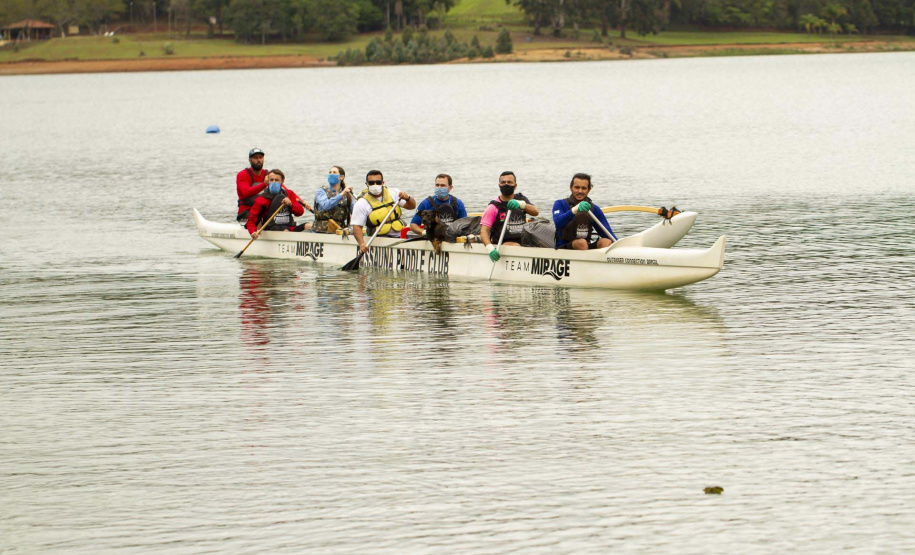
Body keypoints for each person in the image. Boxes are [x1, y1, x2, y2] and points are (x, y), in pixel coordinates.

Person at [351, 170, 417, 253]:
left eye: (378, 182)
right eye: (371, 183)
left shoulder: (394, 193)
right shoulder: (362, 203)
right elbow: (357, 227)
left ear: (383, 183)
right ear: (367, 184)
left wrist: (407, 198)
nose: (375, 185)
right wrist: (362, 244)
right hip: (378, 238)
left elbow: (412, 206)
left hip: (399, 235)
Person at [480, 171, 539, 262]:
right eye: (503, 182)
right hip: (503, 244)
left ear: (515, 186)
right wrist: (490, 248)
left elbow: (535, 212)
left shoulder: (521, 199)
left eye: (509, 182)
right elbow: (484, 231)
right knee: (513, 245)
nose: (506, 184)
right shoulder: (493, 207)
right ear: (499, 185)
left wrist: (521, 204)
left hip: (523, 241)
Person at [552, 173, 616, 250]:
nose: (580, 191)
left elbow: (608, 234)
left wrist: (618, 244)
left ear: (589, 190)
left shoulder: (594, 209)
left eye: (584, 188)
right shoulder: (560, 204)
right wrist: (574, 210)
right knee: (581, 243)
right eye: (577, 187)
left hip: (586, 245)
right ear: (570, 188)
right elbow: (558, 222)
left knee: (606, 241)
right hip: (564, 246)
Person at [246, 169, 310, 238]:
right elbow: (251, 219)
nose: (274, 182)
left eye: (276, 180)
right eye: (271, 180)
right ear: (268, 181)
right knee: (285, 230)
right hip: (271, 229)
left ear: (282, 181)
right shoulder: (261, 199)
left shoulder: (289, 194)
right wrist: (252, 231)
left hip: (289, 227)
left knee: (309, 226)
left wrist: (291, 205)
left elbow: (300, 212)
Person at [312, 165, 354, 233]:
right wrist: (341, 194)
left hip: (339, 231)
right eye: (330, 172)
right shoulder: (321, 191)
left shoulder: (348, 195)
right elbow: (326, 205)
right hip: (320, 231)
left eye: (334, 172)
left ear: (341, 177)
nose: (331, 174)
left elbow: (355, 210)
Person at [236, 148, 268, 224]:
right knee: (257, 220)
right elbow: (246, 192)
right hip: (245, 213)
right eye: (255, 158)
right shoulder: (242, 175)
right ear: (250, 160)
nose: (258, 160)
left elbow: (284, 190)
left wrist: (298, 200)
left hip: (262, 212)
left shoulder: (268, 175)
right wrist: (264, 184)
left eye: (260, 157)